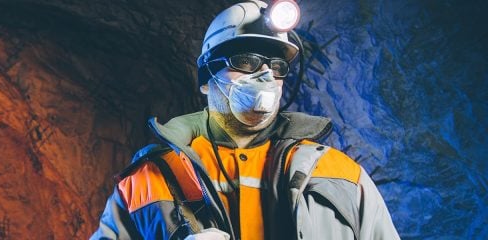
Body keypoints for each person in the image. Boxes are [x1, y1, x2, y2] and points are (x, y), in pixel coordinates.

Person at [90, 1, 399, 239]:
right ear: (206, 79)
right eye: (245, 62)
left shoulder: (341, 176)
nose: (266, 75)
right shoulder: (148, 180)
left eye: (277, 66)